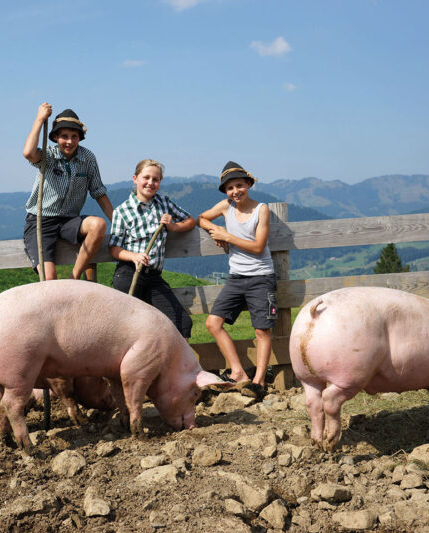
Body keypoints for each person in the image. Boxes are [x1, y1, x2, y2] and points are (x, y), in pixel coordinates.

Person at [197, 161, 278, 387]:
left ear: (249, 184)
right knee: (213, 323)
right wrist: (216, 231)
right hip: (236, 277)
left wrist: (227, 237)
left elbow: (258, 247)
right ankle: (238, 372)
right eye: (230, 188)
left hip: (261, 277)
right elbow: (201, 218)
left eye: (239, 185)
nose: (235, 192)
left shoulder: (261, 209)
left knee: (262, 330)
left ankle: (259, 382)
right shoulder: (226, 206)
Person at [22, 102, 113, 280]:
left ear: (80, 138)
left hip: (70, 220)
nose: (69, 141)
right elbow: (28, 153)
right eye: (64, 136)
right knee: (49, 280)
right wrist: (40, 119)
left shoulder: (88, 158)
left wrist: (117, 223)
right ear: (55, 137)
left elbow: (99, 193)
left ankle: (74, 278)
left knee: (99, 225)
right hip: (41, 221)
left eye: (74, 136)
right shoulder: (48, 154)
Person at [109, 159, 196, 337]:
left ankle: (175, 365)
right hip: (129, 273)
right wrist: (134, 256)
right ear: (135, 178)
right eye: (146, 177)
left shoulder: (163, 202)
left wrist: (173, 227)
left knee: (182, 324)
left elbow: (190, 221)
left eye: (155, 179)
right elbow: (114, 249)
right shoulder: (122, 211)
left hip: (154, 276)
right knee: (129, 329)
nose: (150, 182)